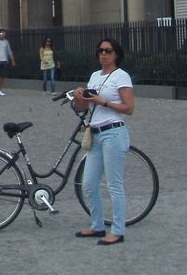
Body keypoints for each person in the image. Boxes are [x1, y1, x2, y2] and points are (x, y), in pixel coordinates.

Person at [72, 38, 134, 246]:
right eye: (100, 50)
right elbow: (82, 108)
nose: (103, 54)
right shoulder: (94, 76)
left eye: (108, 50)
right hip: (96, 133)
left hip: (114, 133)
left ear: (116, 54)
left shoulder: (121, 76)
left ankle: (117, 230)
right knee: (89, 183)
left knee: (114, 184)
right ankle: (97, 225)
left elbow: (129, 108)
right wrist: (80, 96)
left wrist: (103, 101)